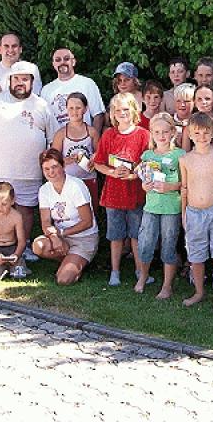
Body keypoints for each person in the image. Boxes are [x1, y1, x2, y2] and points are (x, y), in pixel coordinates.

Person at [0, 61, 55, 263]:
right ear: (9, 80)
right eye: (16, 78)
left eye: (25, 79)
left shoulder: (42, 105)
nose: (20, 83)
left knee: (26, 209)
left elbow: (53, 139)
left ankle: (22, 249)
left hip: (29, 172)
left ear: (32, 82)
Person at [93, 93, 151, 286]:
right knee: (116, 236)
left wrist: (134, 174)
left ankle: (140, 271)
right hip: (114, 194)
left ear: (134, 110)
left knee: (136, 234)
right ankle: (115, 271)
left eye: (126, 109)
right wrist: (112, 172)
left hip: (136, 193)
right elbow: (98, 163)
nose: (122, 113)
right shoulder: (109, 135)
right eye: (117, 110)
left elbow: (148, 163)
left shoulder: (143, 135)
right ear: (112, 113)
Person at [180, 112, 213, 312]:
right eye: (197, 133)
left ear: (212, 133)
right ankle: (199, 292)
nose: (202, 136)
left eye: (206, 132)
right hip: (193, 213)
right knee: (196, 256)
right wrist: (184, 214)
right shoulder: (185, 160)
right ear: (190, 134)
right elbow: (184, 189)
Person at [135, 113, 185, 298]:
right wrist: (144, 186)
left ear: (172, 132)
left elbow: (186, 183)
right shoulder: (147, 155)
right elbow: (143, 179)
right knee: (145, 243)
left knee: (169, 244)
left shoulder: (180, 155)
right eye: (157, 132)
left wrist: (170, 187)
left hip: (171, 207)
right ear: (151, 133)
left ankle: (166, 286)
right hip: (151, 207)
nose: (161, 136)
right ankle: (143, 277)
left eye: (165, 131)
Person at [32, 149, 99, 285]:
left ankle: (75, 262)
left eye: (54, 167)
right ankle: (70, 260)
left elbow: (88, 222)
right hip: (61, 237)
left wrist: (61, 233)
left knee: (63, 280)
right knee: (38, 246)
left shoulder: (76, 186)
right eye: (46, 169)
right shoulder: (44, 190)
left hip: (84, 238)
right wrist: (54, 237)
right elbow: (45, 221)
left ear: (63, 166)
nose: (51, 172)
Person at [50, 92, 100, 212]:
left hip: (89, 179)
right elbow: (52, 160)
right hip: (68, 181)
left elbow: (100, 154)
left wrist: (94, 158)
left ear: (85, 109)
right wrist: (64, 160)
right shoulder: (61, 133)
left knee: (90, 212)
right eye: (71, 108)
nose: (74, 111)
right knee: (71, 212)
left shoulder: (92, 132)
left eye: (78, 108)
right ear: (66, 109)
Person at [40, 47, 106, 135]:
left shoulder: (87, 83)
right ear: (53, 64)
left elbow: (98, 115)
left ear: (73, 62)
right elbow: (44, 121)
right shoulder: (46, 90)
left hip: (85, 141)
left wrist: (94, 140)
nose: (62, 62)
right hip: (57, 142)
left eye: (66, 59)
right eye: (58, 60)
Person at [181, 84, 213, 151]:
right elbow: (185, 151)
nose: (203, 102)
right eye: (199, 99)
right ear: (194, 102)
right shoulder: (188, 123)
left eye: (207, 99)